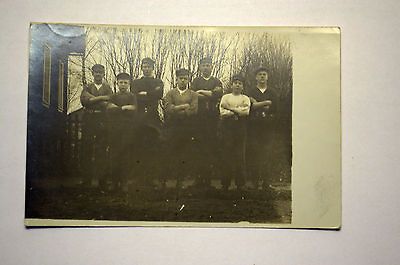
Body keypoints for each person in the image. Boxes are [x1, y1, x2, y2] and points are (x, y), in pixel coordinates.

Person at [191, 57, 223, 189]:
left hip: (212, 118)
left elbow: (218, 95)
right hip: (199, 118)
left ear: (212, 67)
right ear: (200, 67)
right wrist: (209, 94)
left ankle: (208, 180)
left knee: (210, 148)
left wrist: (202, 92)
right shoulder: (196, 81)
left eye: (208, 65)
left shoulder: (216, 81)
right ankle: (198, 180)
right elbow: (193, 95)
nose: (206, 67)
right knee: (198, 148)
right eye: (204, 65)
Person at [131, 58, 164, 187]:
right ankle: (139, 178)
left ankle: (152, 178)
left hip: (152, 118)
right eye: (144, 66)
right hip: (139, 118)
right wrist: (150, 94)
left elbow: (159, 94)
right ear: (141, 68)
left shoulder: (158, 81)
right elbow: (135, 95)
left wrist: (145, 94)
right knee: (139, 148)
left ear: (152, 68)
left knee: (153, 148)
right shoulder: (136, 82)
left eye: (149, 67)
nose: (146, 69)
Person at [80, 64, 113, 189]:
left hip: (102, 119)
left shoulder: (108, 88)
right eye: (96, 72)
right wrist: (101, 99)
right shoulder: (87, 87)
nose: (98, 74)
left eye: (100, 72)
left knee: (102, 149)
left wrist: (93, 100)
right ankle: (86, 180)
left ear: (104, 74)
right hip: (89, 118)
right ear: (92, 73)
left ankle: (102, 180)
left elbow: (108, 102)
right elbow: (84, 101)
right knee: (86, 148)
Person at [164, 68, 198, 189]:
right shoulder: (170, 93)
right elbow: (168, 108)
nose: (183, 81)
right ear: (176, 79)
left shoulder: (193, 94)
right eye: (181, 78)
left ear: (188, 79)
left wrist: (177, 109)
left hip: (187, 127)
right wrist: (183, 107)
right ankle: (169, 180)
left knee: (185, 153)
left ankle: (182, 180)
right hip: (173, 126)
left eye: (185, 78)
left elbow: (193, 109)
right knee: (172, 151)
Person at [245, 67, 278, 190]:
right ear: (256, 77)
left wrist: (260, 106)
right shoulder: (251, 92)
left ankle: (266, 182)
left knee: (267, 154)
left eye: (264, 74)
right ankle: (254, 182)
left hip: (268, 128)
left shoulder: (273, 92)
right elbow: (249, 107)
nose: (262, 76)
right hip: (254, 127)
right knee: (254, 153)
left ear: (267, 76)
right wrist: (265, 104)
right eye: (260, 74)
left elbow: (275, 110)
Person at [219, 74, 250, 191]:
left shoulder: (245, 98)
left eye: (240, 83)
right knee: (226, 156)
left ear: (242, 86)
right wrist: (237, 111)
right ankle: (225, 184)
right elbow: (222, 113)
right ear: (231, 85)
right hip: (227, 128)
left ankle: (240, 184)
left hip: (240, 129)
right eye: (235, 82)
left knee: (239, 156)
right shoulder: (225, 97)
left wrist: (230, 108)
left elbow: (245, 112)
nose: (237, 85)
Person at [106, 72, 137, 192]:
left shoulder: (132, 96)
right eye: (121, 82)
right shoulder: (113, 96)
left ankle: (124, 182)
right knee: (114, 155)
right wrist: (124, 108)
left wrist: (119, 108)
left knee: (126, 155)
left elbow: (134, 110)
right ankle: (114, 182)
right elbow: (109, 109)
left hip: (127, 130)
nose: (123, 85)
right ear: (117, 83)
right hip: (115, 129)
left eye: (125, 82)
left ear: (129, 84)